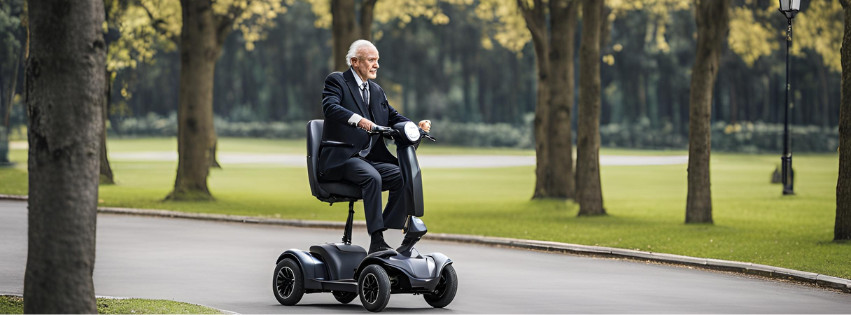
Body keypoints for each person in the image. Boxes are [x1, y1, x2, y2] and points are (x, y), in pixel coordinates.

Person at [318, 39, 431, 254]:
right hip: (342, 159)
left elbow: (393, 117)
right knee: (373, 177)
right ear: (354, 61)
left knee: (401, 174)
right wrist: (359, 120)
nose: (376, 65)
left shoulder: (377, 91)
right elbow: (330, 107)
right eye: (371, 60)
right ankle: (377, 240)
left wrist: (415, 127)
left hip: (369, 159)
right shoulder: (337, 81)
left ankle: (386, 227)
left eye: (377, 60)